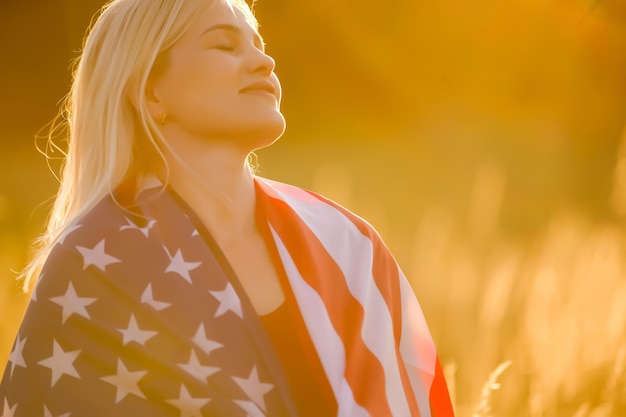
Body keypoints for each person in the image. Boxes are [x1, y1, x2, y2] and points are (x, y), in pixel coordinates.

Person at [0, 0, 453, 415]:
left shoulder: (347, 243)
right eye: (224, 45)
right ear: (150, 93)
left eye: (258, 44)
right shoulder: (95, 262)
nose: (263, 60)